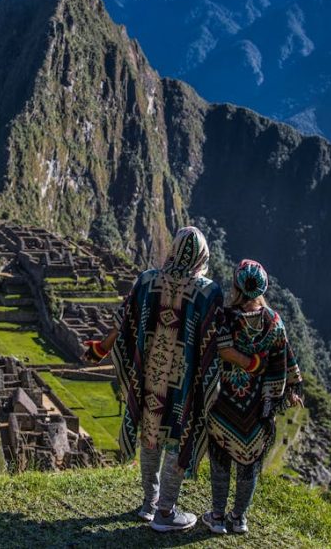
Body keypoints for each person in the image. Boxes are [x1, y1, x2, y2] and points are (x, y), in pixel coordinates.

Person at [85, 227, 249, 533]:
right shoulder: (206, 291)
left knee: (150, 435)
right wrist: (248, 359)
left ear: (173, 249)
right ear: (202, 254)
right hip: (184, 384)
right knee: (178, 437)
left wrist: (101, 349)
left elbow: (124, 322)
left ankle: (149, 503)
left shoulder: (147, 281)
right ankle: (165, 512)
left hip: (148, 378)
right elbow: (217, 339)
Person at [202, 259, 303, 535]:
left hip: (225, 403)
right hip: (260, 406)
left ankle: (218, 517)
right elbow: (285, 357)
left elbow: (221, 350)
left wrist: (248, 363)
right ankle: (239, 518)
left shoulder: (226, 317)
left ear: (236, 286)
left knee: (221, 459)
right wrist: (292, 388)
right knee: (250, 464)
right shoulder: (274, 321)